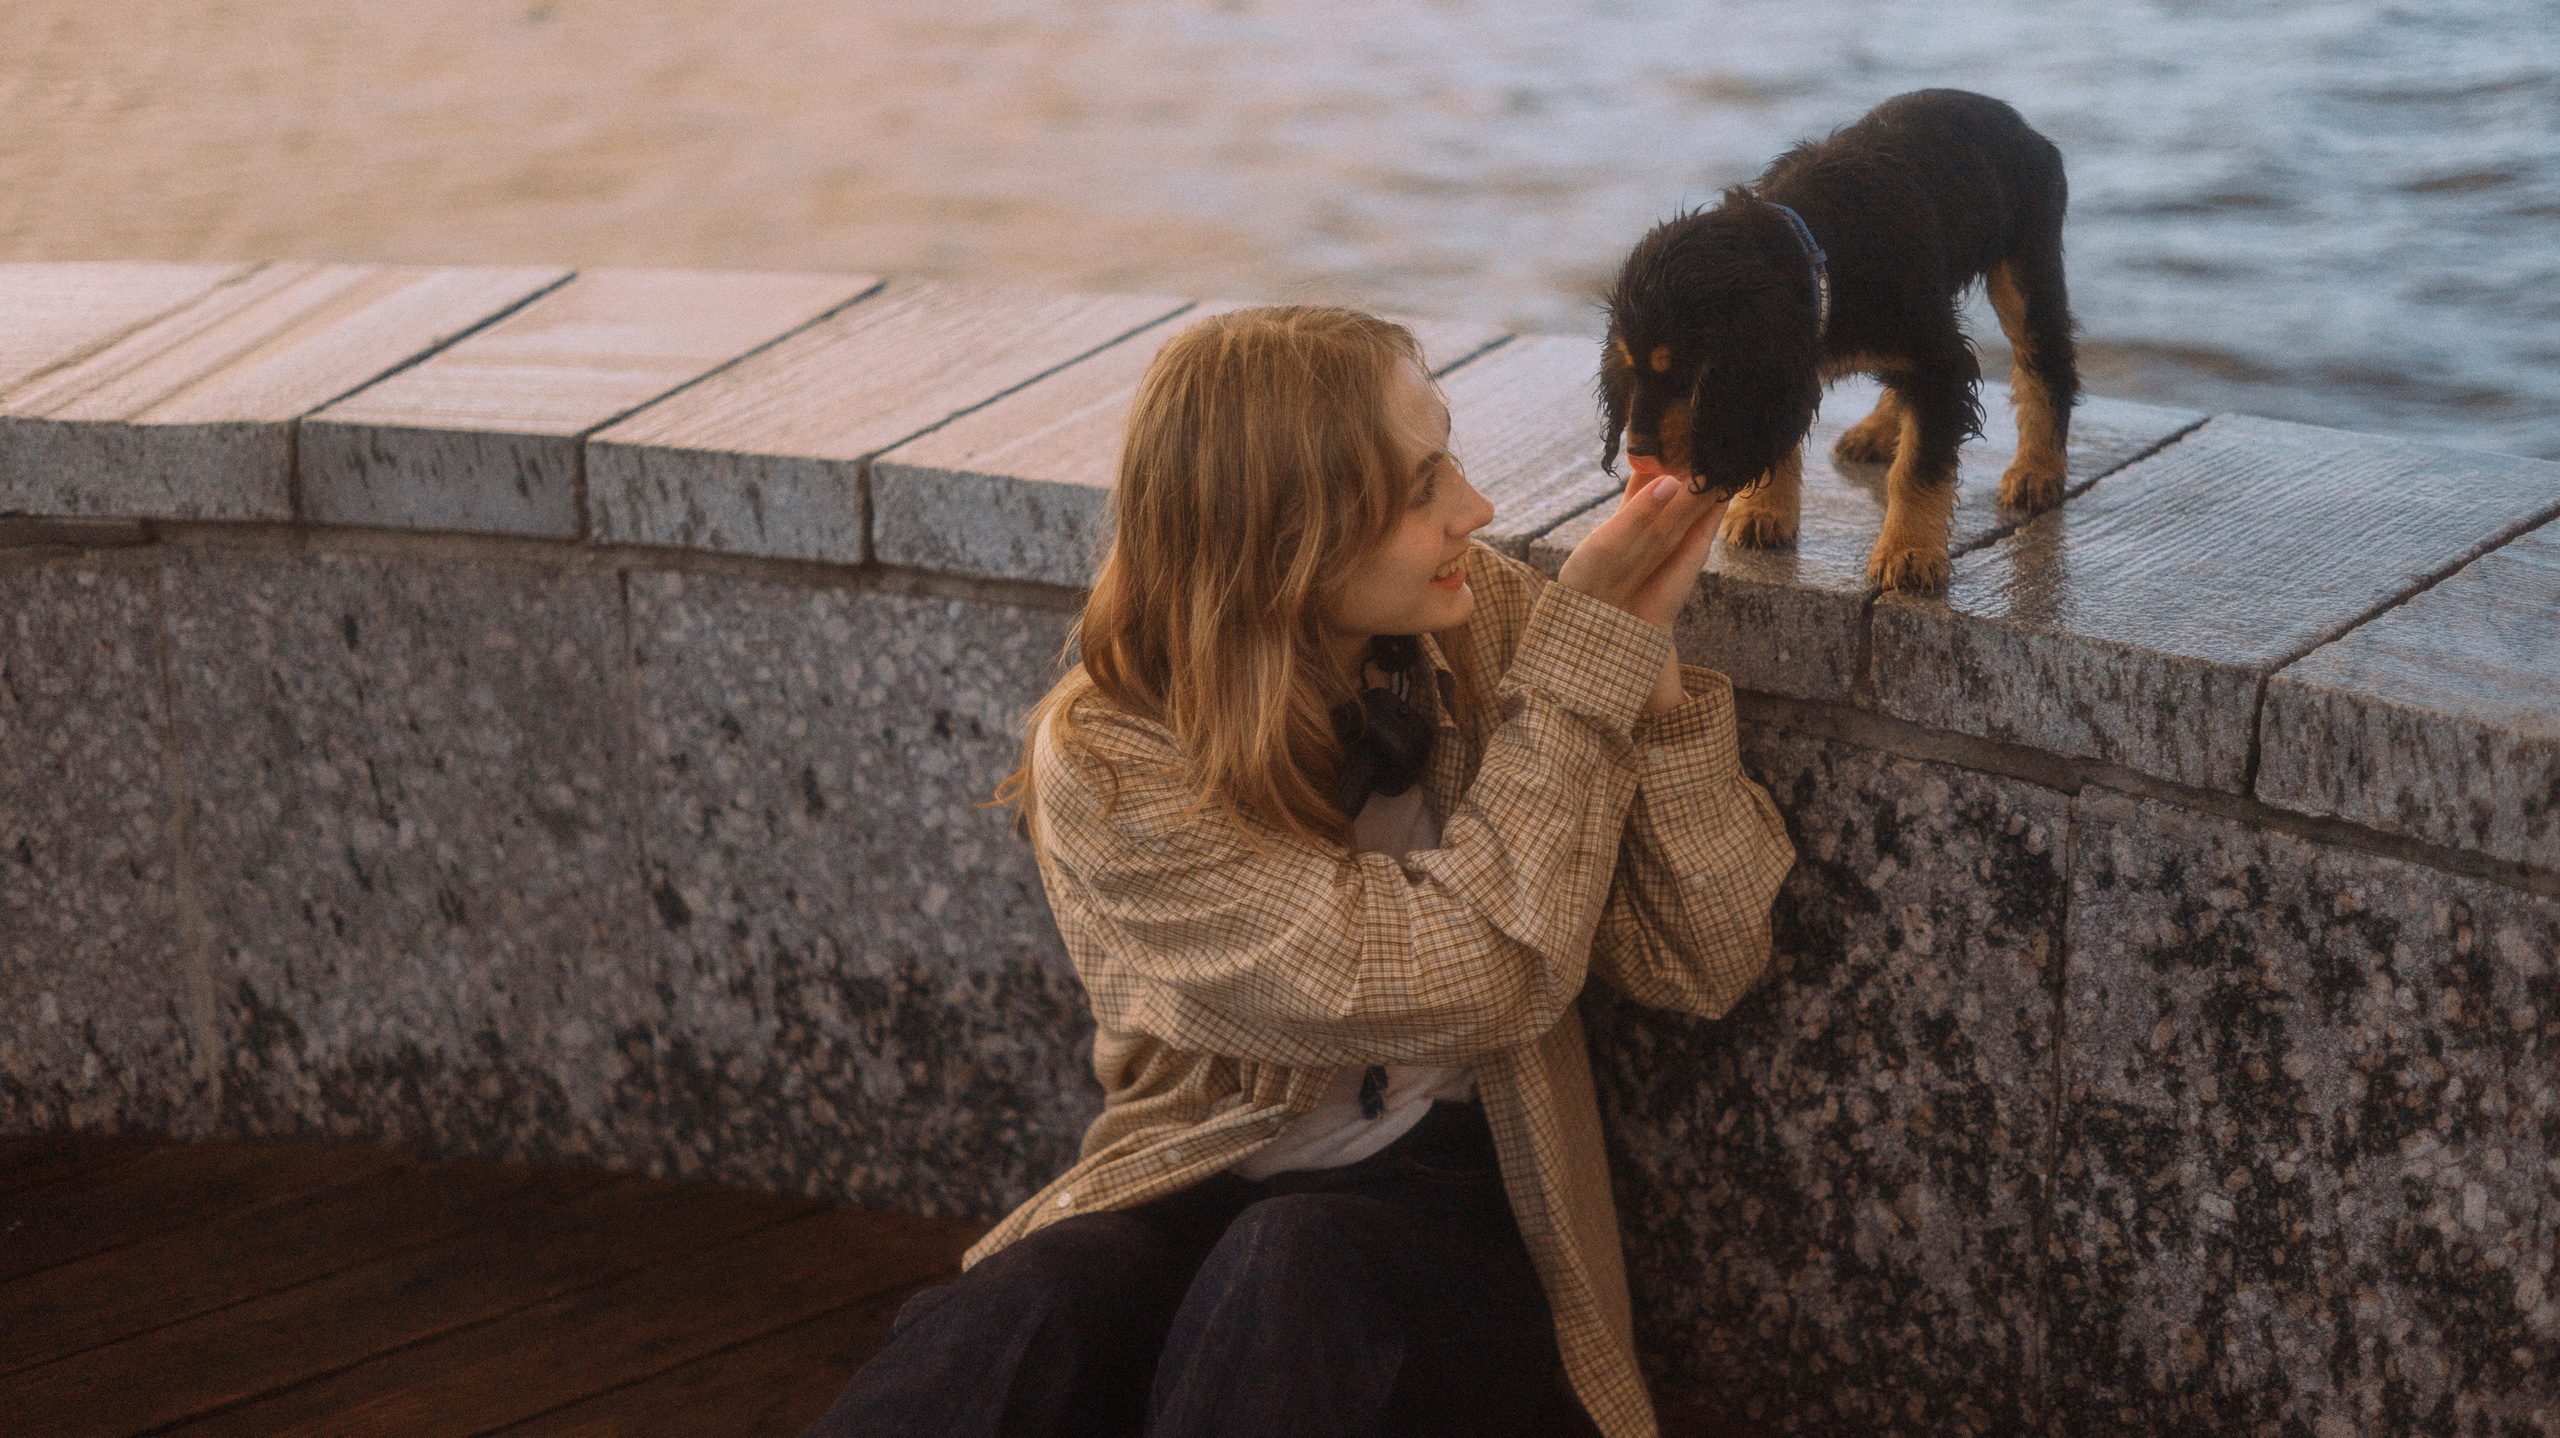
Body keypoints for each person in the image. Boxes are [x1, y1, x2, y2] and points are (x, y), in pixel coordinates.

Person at [801, 306, 1795, 1438]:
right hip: (1194, 1180)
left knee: (1295, 1268)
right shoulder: (1111, 758)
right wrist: (1577, 687)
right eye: (1423, 490)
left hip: (1452, 1216)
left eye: (1451, 459)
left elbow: (1705, 957)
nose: (1476, 510)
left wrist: (1643, 679)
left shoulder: (1488, 623)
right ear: (1288, 539)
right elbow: (1449, 971)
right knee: (1020, 1310)